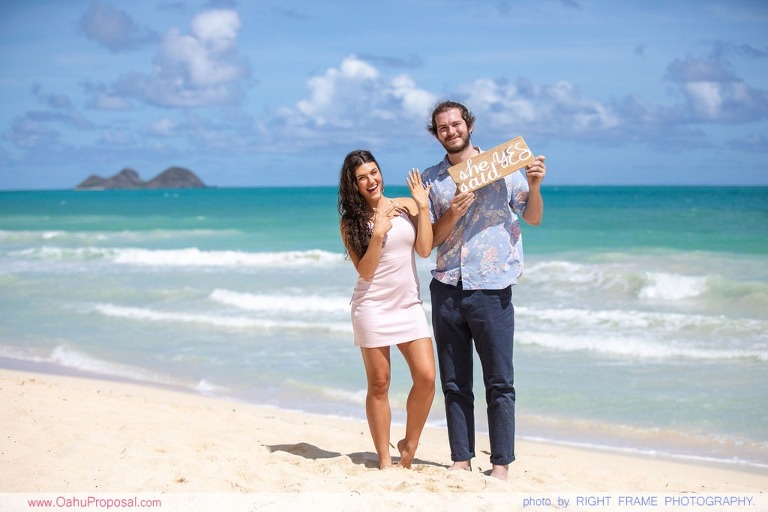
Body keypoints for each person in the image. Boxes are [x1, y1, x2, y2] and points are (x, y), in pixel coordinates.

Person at [421, 101, 546, 480]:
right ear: (436, 133)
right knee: (455, 381)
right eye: (442, 127)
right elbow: (427, 243)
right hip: (447, 286)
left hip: (492, 288)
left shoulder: (503, 166)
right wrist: (452, 214)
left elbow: (534, 216)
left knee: (499, 381)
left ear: (469, 126)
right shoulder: (432, 179)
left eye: (455, 124)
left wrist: (536, 183)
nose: (450, 131)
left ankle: (501, 464)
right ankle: (461, 459)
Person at [338, 149, 436, 470]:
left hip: (408, 305)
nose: (371, 181)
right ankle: (384, 459)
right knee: (379, 384)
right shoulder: (351, 223)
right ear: (354, 185)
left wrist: (422, 206)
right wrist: (377, 232)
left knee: (426, 377)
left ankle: (409, 443)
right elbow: (365, 271)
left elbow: (423, 249)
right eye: (362, 177)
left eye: (374, 172)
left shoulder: (405, 206)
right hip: (372, 307)